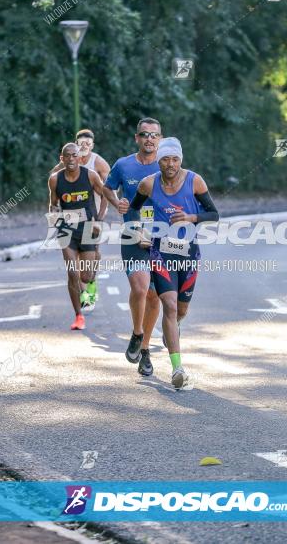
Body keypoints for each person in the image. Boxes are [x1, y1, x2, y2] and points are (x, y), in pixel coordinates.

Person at [129, 137, 219, 389]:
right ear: (159, 161)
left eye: (175, 159)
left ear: (181, 159)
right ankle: (177, 369)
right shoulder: (148, 184)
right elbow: (133, 209)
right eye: (165, 159)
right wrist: (139, 232)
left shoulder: (194, 181)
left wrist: (192, 217)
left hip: (189, 253)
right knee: (167, 305)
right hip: (161, 253)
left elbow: (214, 214)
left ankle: (176, 325)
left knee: (180, 310)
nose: (170, 164)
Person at [102, 118, 162, 375]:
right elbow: (106, 188)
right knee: (140, 287)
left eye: (154, 135)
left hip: (162, 238)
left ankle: (145, 349)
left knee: (154, 295)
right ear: (136, 138)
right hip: (132, 235)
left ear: (160, 139)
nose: (149, 139)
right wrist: (117, 204)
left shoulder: (168, 165)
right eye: (144, 134)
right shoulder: (123, 165)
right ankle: (137, 333)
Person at [49, 129, 110, 305]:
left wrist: (100, 216)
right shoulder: (69, 158)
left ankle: (90, 284)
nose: (84, 146)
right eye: (81, 142)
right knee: (73, 264)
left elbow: (110, 189)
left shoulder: (98, 163)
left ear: (92, 145)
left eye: (87, 143)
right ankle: (84, 294)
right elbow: (53, 180)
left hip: (94, 212)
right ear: (76, 143)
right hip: (70, 217)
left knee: (93, 256)